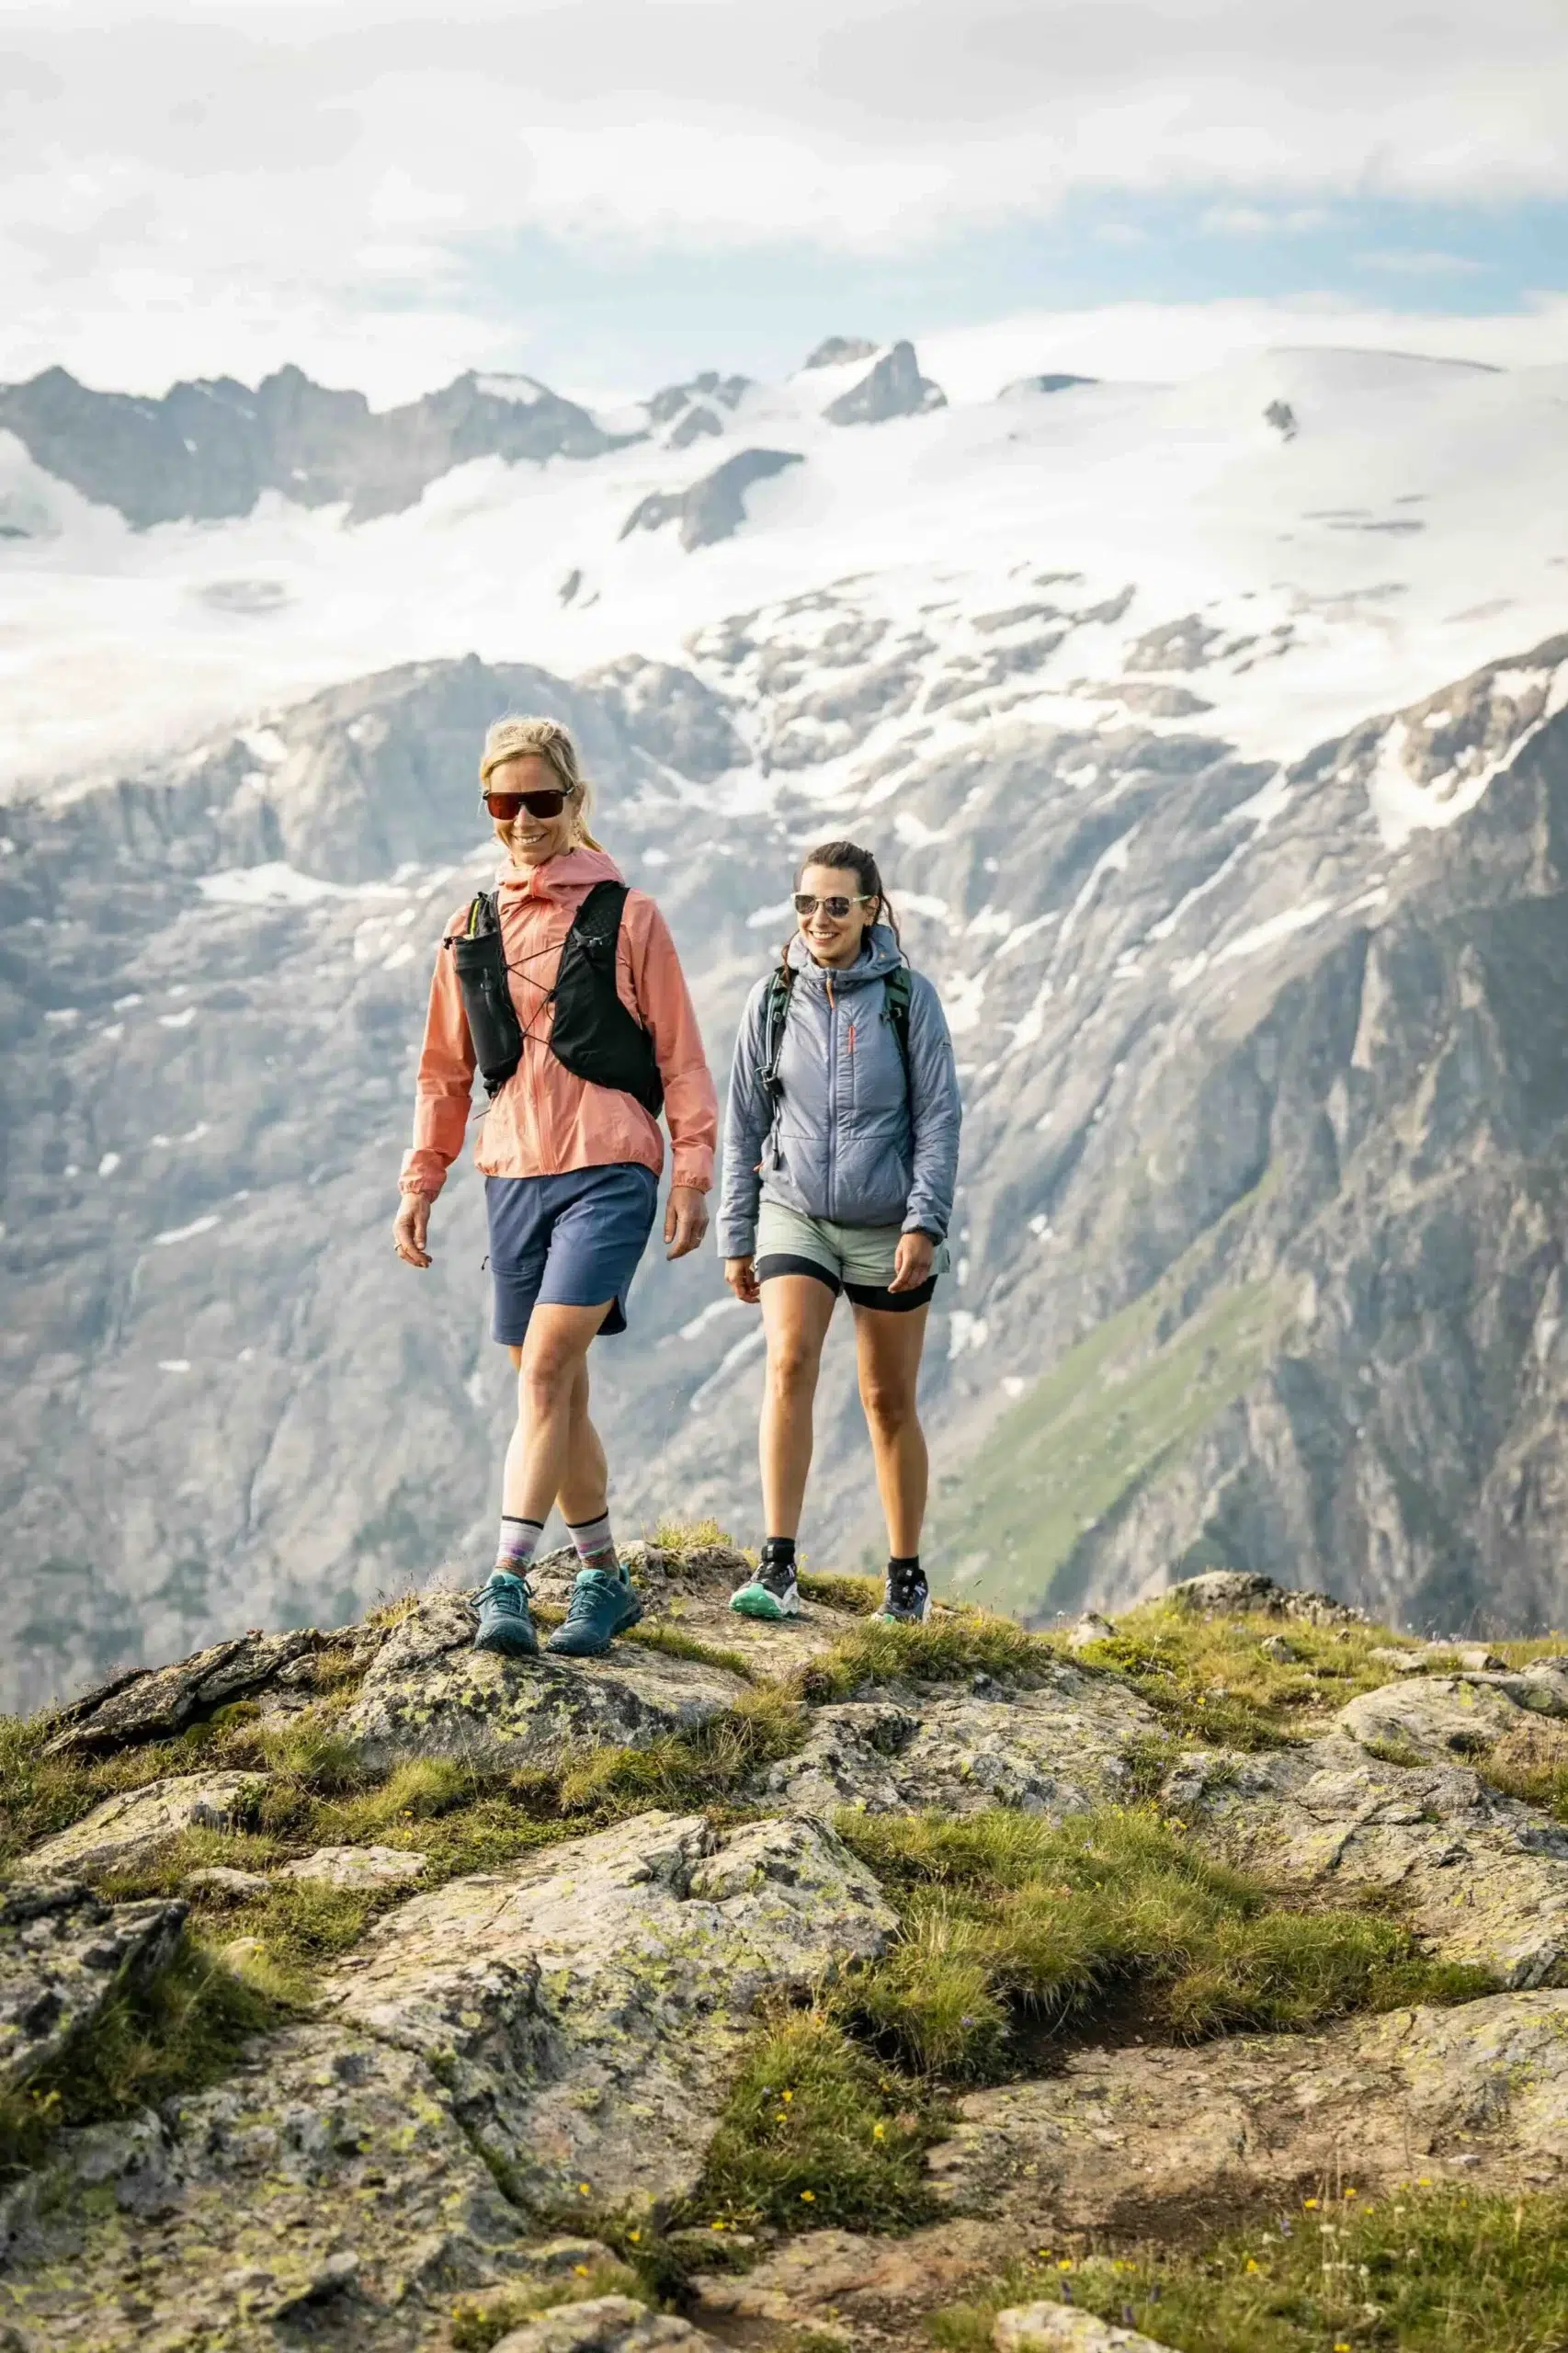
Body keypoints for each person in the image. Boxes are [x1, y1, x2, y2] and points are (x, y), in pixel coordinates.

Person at [393, 714, 717, 1660]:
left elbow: (682, 1058)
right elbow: (442, 1072)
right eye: (505, 803)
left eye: (541, 800)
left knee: (543, 1370)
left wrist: (690, 1170)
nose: (523, 819)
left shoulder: (631, 915)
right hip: (510, 1174)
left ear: (575, 803)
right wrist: (422, 1181)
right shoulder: (469, 925)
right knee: (558, 1393)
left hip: (610, 1168)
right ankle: (606, 1581)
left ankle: (505, 1581)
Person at [717, 840, 961, 1624]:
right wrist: (737, 1231)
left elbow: (939, 1118)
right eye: (805, 904)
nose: (818, 918)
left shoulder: (907, 999)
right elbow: (743, 1123)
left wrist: (924, 1222)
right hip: (795, 1212)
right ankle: (779, 1565)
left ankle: (905, 1581)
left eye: (836, 904)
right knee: (788, 1364)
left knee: (887, 1400)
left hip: (888, 1221)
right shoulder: (774, 998)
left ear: (870, 910)